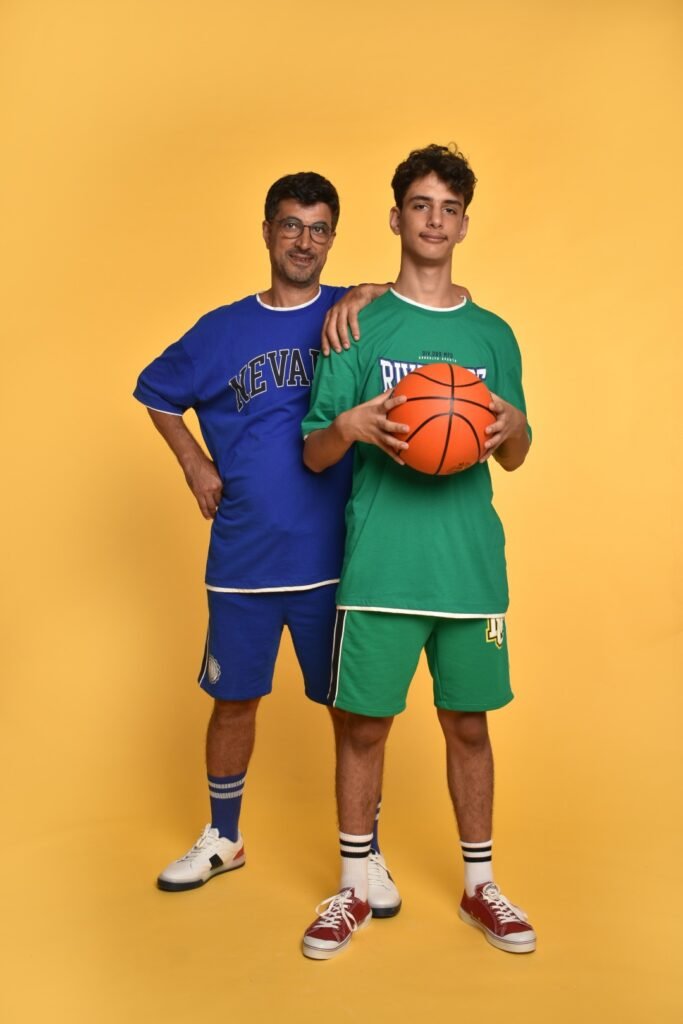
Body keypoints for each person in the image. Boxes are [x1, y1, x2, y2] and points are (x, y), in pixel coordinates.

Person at [134, 171, 448, 915]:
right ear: (267, 232)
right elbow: (154, 391)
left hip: (336, 560)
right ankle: (223, 835)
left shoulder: (350, 317)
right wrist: (194, 463)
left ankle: (365, 854)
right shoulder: (220, 330)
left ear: (332, 238)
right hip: (242, 558)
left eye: (318, 228)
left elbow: (413, 302)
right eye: (290, 225)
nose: (303, 241)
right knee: (232, 702)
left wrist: (367, 289)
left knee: (351, 713)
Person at [300, 144, 536, 960]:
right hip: (381, 566)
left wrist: (514, 427)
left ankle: (479, 887)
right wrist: (348, 425)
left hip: (468, 569)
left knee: (467, 725)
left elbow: (516, 452)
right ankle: (352, 885)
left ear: (463, 224)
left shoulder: (492, 334)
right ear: (395, 217)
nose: (434, 221)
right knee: (363, 728)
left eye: (449, 208)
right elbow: (314, 453)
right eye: (420, 205)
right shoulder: (356, 324)